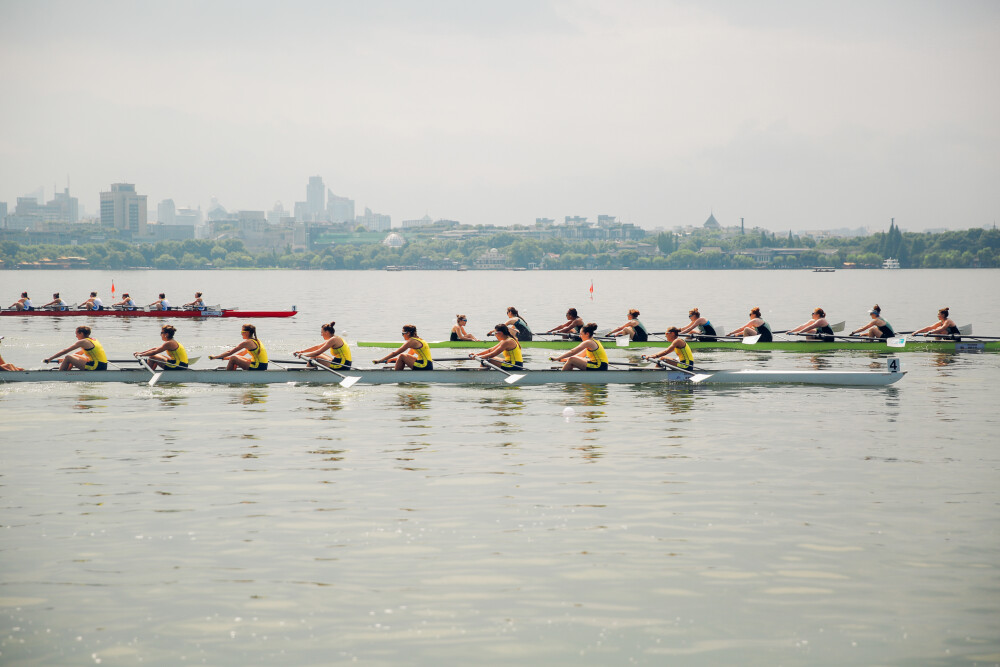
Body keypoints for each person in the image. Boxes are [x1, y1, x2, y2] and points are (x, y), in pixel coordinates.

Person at [43, 325, 108, 370]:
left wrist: (50, 359)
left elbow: (65, 351)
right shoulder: (93, 340)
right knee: (72, 356)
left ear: (81, 333)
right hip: (102, 365)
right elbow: (79, 353)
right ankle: (67, 373)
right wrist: (63, 360)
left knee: (68, 357)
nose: (76, 336)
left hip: (96, 366)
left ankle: (60, 375)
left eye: (76, 334)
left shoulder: (83, 342)